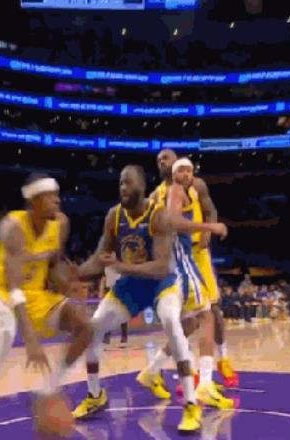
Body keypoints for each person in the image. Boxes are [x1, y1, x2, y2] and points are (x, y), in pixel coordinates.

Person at [72, 165, 227, 433]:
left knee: (172, 322)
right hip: (132, 284)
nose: (122, 187)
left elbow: (162, 266)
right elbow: (99, 257)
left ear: (142, 187)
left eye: (128, 183)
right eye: (120, 183)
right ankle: (95, 395)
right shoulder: (114, 216)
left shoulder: (158, 215)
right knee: (93, 328)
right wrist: (74, 275)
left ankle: (191, 404)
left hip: (162, 282)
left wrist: (120, 266)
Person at [0, 174, 93, 440]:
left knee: (85, 327)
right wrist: (31, 337)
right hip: (2, 291)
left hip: (36, 294)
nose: (57, 200)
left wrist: (66, 279)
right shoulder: (12, 227)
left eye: (57, 194)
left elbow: (53, 264)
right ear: (34, 201)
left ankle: (48, 390)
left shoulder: (61, 224)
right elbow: (13, 287)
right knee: (4, 336)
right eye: (50, 196)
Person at [151, 149, 239, 388]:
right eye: (159, 160)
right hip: (175, 258)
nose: (162, 162)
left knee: (213, 310)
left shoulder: (196, 185)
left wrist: (209, 230)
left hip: (198, 254)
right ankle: (190, 371)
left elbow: (211, 210)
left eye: (166, 158)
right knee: (183, 319)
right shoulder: (157, 194)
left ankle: (223, 359)